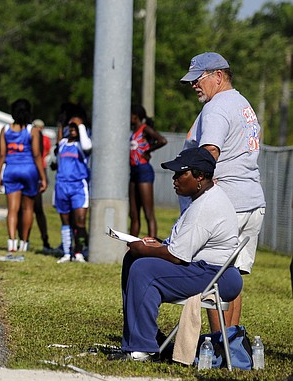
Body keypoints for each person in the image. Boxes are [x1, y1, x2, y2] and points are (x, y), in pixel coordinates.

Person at [109, 147, 241, 362]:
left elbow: (177, 257)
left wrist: (143, 248)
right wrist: (158, 244)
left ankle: (143, 349)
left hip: (217, 276)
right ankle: (147, 337)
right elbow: (182, 245)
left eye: (181, 173)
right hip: (206, 269)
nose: (175, 178)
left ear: (199, 176)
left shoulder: (205, 205)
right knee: (133, 258)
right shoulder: (202, 197)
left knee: (144, 269)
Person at [179, 52, 264, 330]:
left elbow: (210, 151)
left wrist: (197, 189)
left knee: (213, 276)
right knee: (233, 278)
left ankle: (218, 344)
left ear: (218, 76)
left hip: (227, 202)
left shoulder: (216, 107)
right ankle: (232, 344)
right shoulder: (243, 104)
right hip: (251, 201)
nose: (194, 85)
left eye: (198, 79)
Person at [0, 99, 47, 261]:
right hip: (29, 170)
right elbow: (37, 155)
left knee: (12, 209)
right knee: (27, 209)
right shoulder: (33, 130)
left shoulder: (5, 129)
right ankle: (24, 243)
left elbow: (2, 154)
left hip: (11, 170)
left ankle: (12, 242)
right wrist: (43, 177)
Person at [53, 115, 92, 263]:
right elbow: (55, 158)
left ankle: (79, 252)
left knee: (80, 220)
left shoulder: (83, 145)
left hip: (78, 187)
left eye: (76, 126)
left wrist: (80, 125)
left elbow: (87, 147)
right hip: (62, 186)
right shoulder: (63, 143)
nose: (73, 128)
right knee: (65, 221)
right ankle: (66, 252)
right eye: (71, 126)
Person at [128, 104, 167, 239]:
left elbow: (162, 140)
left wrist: (148, 151)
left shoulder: (145, 129)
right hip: (133, 172)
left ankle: (152, 245)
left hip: (144, 171)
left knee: (148, 213)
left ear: (136, 116)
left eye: (130, 115)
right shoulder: (134, 131)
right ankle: (131, 246)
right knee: (133, 213)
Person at [30, 119, 54, 252]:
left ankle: (44, 239)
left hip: (38, 170)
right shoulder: (40, 137)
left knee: (36, 208)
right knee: (32, 208)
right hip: (35, 170)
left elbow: (40, 155)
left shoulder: (43, 139)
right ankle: (25, 239)